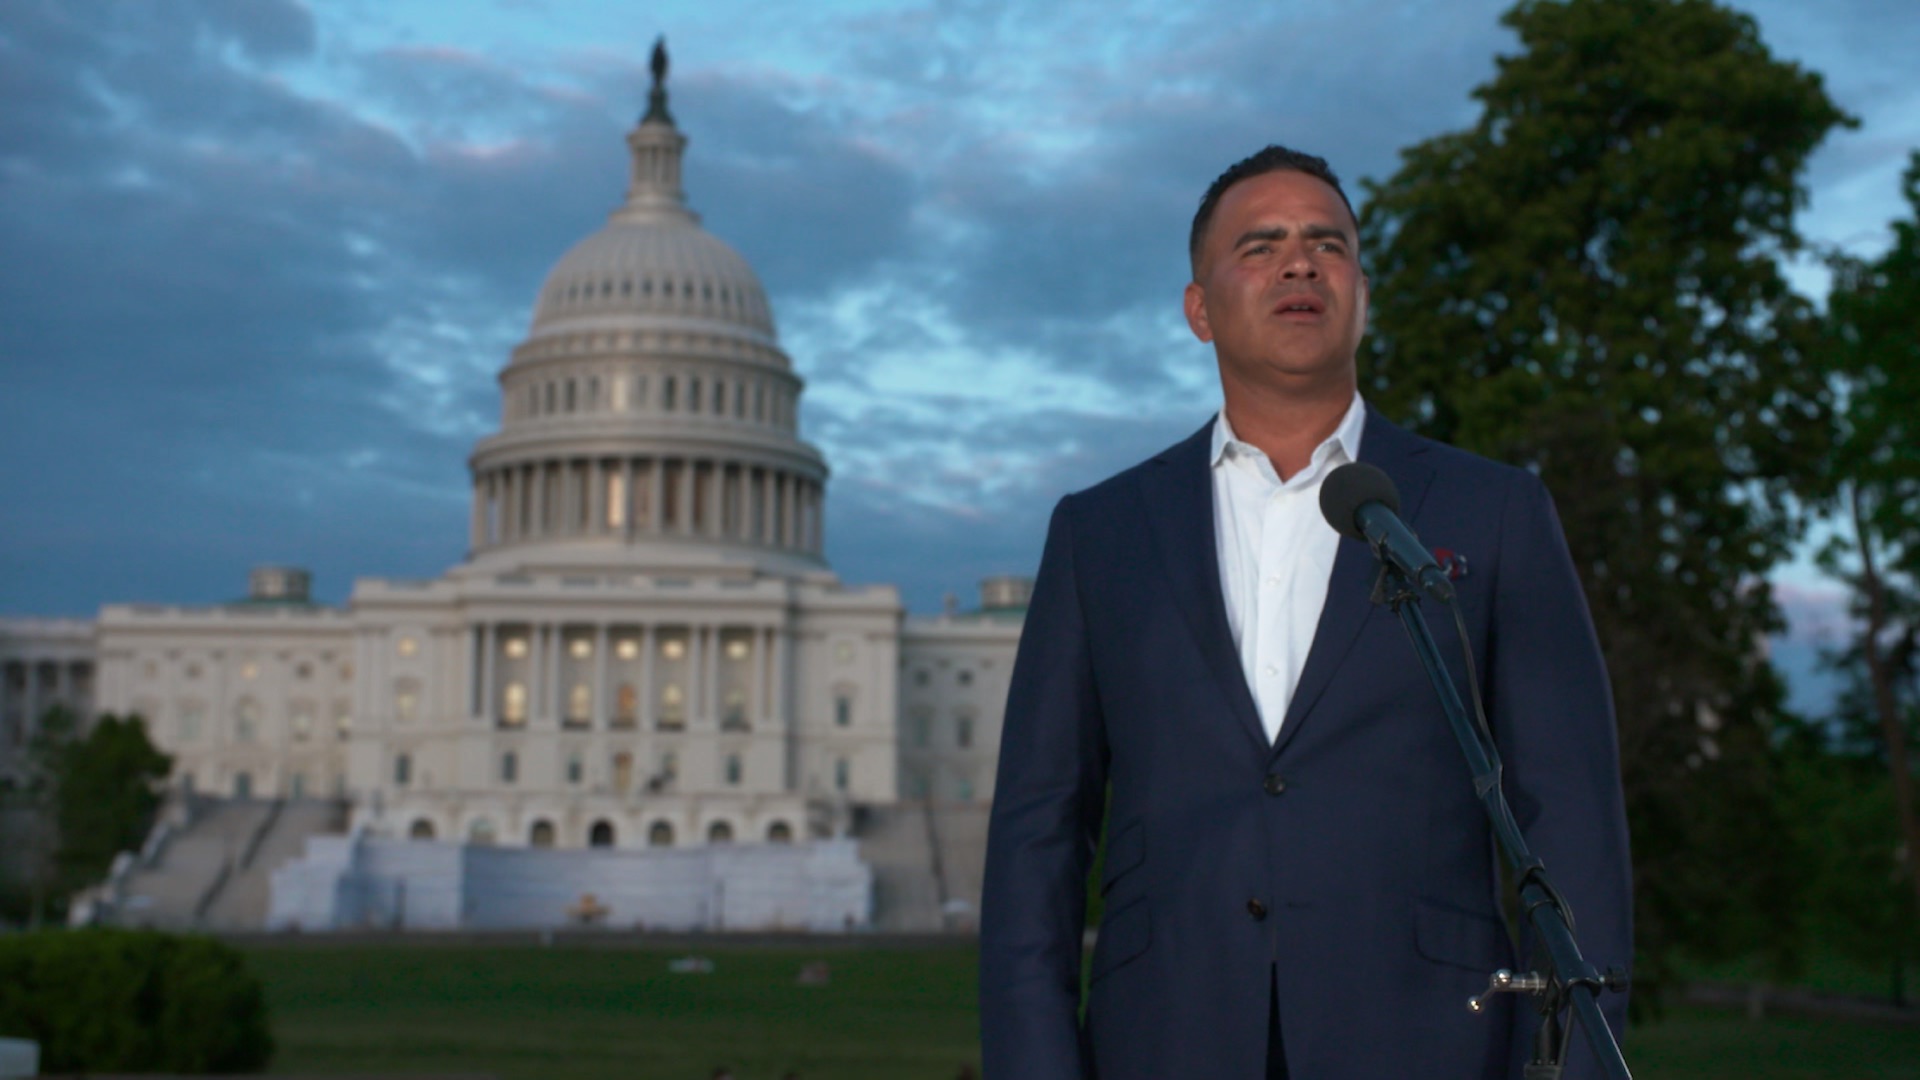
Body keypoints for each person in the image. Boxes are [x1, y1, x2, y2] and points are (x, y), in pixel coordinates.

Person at [978, 146, 1632, 1079]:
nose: (1299, 262)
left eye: (1328, 243)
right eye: (1261, 245)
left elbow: (1571, 823)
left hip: (1434, 1044)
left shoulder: (1495, 513)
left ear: (1361, 292)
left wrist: (1571, 1066)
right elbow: (1037, 838)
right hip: (1164, 1044)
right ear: (1199, 309)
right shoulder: (1100, 533)